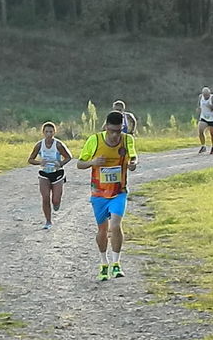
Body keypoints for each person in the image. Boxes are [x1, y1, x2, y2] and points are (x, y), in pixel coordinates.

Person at [77, 111, 138, 281]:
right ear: (105, 127)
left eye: (118, 131)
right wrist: (93, 162)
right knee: (103, 229)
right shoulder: (94, 140)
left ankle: (116, 263)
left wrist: (133, 164)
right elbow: (79, 163)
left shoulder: (127, 140)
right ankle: (104, 264)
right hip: (99, 194)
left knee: (116, 225)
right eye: (111, 131)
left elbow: (133, 157)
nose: (114, 135)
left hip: (119, 192)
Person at [27, 122, 73, 230]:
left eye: (51, 132)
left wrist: (60, 163)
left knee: (55, 200)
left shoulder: (58, 145)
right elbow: (30, 160)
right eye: (46, 132)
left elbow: (69, 157)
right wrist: (39, 163)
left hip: (57, 173)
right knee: (45, 197)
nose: (48, 134)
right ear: (43, 133)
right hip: (44, 173)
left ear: (54, 132)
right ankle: (48, 221)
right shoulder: (39, 145)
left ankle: (57, 204)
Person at [196, 87, 213, 154]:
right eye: (204, 95)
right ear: (202, 94)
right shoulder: (200, 97)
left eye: (207, 95)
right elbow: (199, 105)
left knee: (212, 134)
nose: (206, 96)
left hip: (212, 119)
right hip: (203, 117)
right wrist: (198, 109)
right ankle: (203, 146)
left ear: (209, 93)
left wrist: (211, 107)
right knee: (200, 131)